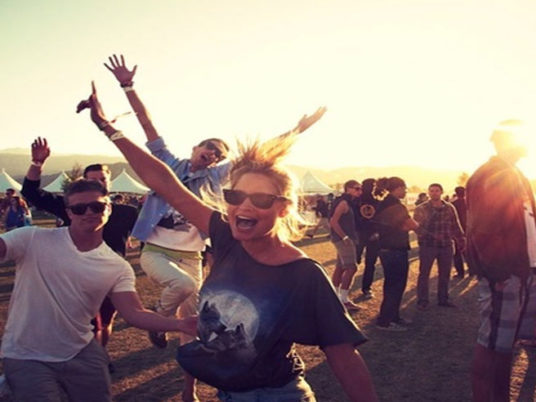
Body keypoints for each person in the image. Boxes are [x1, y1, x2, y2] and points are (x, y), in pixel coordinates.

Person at [80, 81, 378, 402]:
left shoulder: (303, 273)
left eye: (261, 199)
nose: (244, 207)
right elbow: (165, 182)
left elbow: (342, 356)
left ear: (284, 208)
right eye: (235, 196)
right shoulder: (225, 237)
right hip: (227, 395)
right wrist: (107, 127)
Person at [0, 179, 195, 401]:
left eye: (97, 207)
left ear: (109, 209)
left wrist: (180, 324)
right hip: (27, 353)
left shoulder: (116, 266)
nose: (89, 213)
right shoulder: (33, 238)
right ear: (69, 213)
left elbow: (134, 313)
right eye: (79, 209)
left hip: (81, 349)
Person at [20, 138, 138, 365]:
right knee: (77, 322)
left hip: (110, 276)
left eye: (102, 179)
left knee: (105, 321)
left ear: (109, 181)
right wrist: (37, 164)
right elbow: (31, 193)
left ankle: (99, 357)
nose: (98, 183)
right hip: (75, 274)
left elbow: (156, 228)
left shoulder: (127, 212)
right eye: (92, 180)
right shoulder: (73, 206)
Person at [466, 120, 536, 402]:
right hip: (507, 274)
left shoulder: (514, 173)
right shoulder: (491, 175)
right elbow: (484, 230)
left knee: (505, 345)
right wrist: (498, 274)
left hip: (524, 271)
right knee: (493, 345)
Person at [375, 177, 419, 331]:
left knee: (391, 285)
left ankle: (392, 316)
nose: (406, 191)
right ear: (398, 188)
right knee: (396, 286)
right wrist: (418, 224)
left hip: (385, 248)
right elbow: (411, 225)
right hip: (395, 249)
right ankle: (386, 321)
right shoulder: (397, 206)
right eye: (404, 188)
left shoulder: (383, 203)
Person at [413, 183, 465, 310]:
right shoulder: (421, 208)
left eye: (437, 190)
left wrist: (461, 240)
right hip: (428, 246)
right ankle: (422, 300)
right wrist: (431, 235)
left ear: (441, 192)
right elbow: (416, 227)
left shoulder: (450, 207)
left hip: (446, 245)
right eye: (431, 191)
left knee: (445, 274)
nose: (434, 193)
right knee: (424, 274)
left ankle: (443, 298)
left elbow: (455, 225)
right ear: (428, 192)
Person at [329, 180, 362, 311]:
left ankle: (335, 297)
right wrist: (345, 237)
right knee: (351, 268)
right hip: (343, 240)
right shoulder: (343, 203)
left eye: (360, 189)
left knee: (340, 267)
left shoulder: (347, 202)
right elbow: (333, 221)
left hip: (341, 238)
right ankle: (344, 300)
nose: (359, 191)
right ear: (348, 189)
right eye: (357, 188)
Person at [354, 178, 381, 299]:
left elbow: (380, 219)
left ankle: (366, 288)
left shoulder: (376, 202)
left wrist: (377, 232)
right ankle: (348, 287)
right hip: (360, 234)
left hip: (370, 235)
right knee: (356, 262)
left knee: (369, 263)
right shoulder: (356, 201)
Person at [451, 186, 467, 278]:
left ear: (456, 193)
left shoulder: (452, 204)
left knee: (457, 252)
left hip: (456, 230)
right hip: (468, 229)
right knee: (468, 251)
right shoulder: (469, 203)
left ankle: (460, 272)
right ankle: (472, 269)